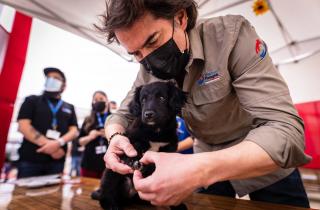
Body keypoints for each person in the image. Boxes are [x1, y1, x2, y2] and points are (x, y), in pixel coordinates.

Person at [98, 0, 311, 208]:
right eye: (135, 53)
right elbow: (120, 116)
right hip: (204, 160)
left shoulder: (230, 36)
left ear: (180, 18)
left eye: (152, 40)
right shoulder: (147, 71)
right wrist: (115, 138)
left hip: (261, 158)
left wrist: (198, 169)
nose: (147, 59)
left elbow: (286, 131)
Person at [17, 67, 78, 178]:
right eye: (49, 77)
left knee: (54, 193)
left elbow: (74, 130)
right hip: (31, 159)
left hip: (57, 161)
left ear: (64, 86)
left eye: (56, 78)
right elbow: (23, 126)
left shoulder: (69, 107)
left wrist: (58, 143)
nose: (51, 80)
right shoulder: (31, 100)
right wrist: (51, 147)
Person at [78, 91, 110, 178]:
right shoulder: (88, 119)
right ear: (92, 103)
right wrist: (89, 137)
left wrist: (109, 135)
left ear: (107, 101)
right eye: (95, 100)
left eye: (101, 99)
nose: (98, 101)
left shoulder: (114, 118)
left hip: (109, 164)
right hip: (89, 164)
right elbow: (79, 142)